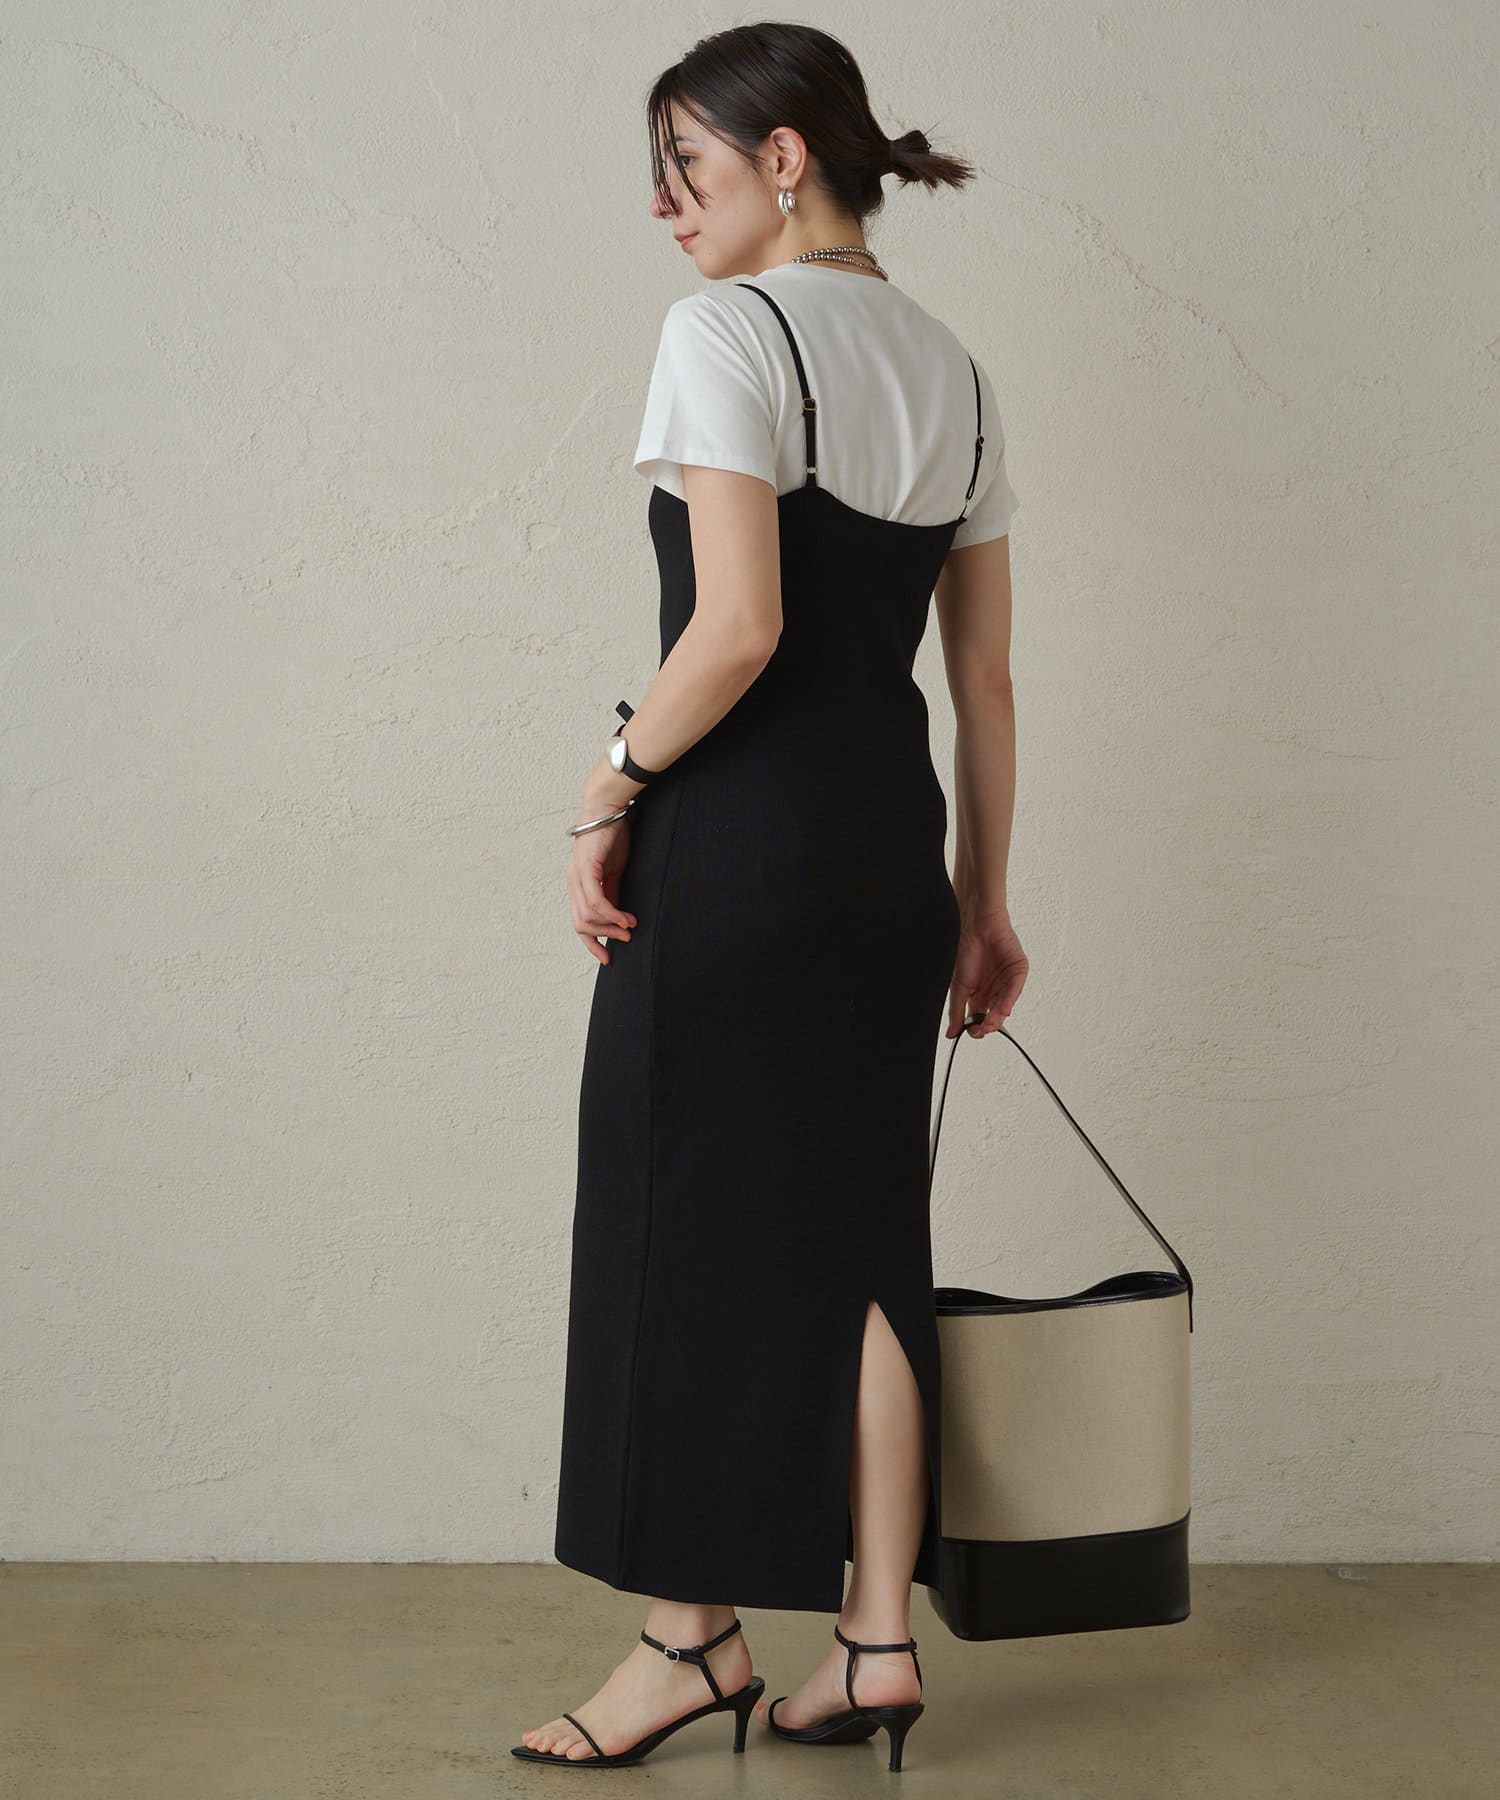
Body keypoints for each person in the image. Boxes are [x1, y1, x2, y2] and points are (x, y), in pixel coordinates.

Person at [514, 21, 1029, 1776]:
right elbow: (985, 687)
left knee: (680, 1228)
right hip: (893, 860)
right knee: (869, 1247)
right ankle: (875, 1642)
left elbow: (735, 628)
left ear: (785, 157)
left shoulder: (725, 334)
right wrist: (984, 903)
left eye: (689, 167)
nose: (667, 208)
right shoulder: (957, 370)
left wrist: (608, 786)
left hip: (738, 852)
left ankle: (688, 1643)